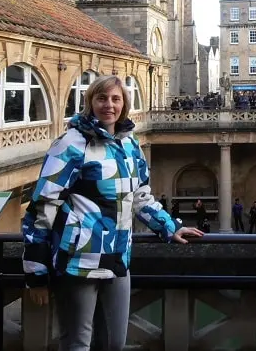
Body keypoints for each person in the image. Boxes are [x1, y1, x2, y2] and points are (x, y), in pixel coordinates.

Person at [22, 75, 203, 351]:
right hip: (78, 262)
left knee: (114, 343)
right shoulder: (71, 144)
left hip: (118, 259)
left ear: (124, 104)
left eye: (116, 99)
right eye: (102, 98)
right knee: (77, 344)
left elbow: (140, 197)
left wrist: (170, 227)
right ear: (90, 102)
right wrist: (35, 272)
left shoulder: (129, 145)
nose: (109, 105)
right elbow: (43, 206)